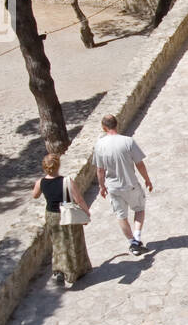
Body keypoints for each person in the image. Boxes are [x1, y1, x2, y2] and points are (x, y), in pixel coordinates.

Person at [93, 114, 153, 255]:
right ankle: (137, 238)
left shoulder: (99, 145)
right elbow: (139, 164)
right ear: (116, 124)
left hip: (113, 187)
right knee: (139, 209)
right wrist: (147, 179)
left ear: (104, 127)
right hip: (130, 183)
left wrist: (102, 186)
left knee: (121, 215)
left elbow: (100, 170)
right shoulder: (128, 141)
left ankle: (132, 242)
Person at [32, 154, 92, 288]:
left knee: (58, 243)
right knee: (73, 241)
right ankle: (76, 270)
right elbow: (79, 200)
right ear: (58, 166)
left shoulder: (41, 182)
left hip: (52, 215)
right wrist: (86, 213)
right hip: (67, 214)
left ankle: (59, 271)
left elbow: (35, 196)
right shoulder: (67, 181)